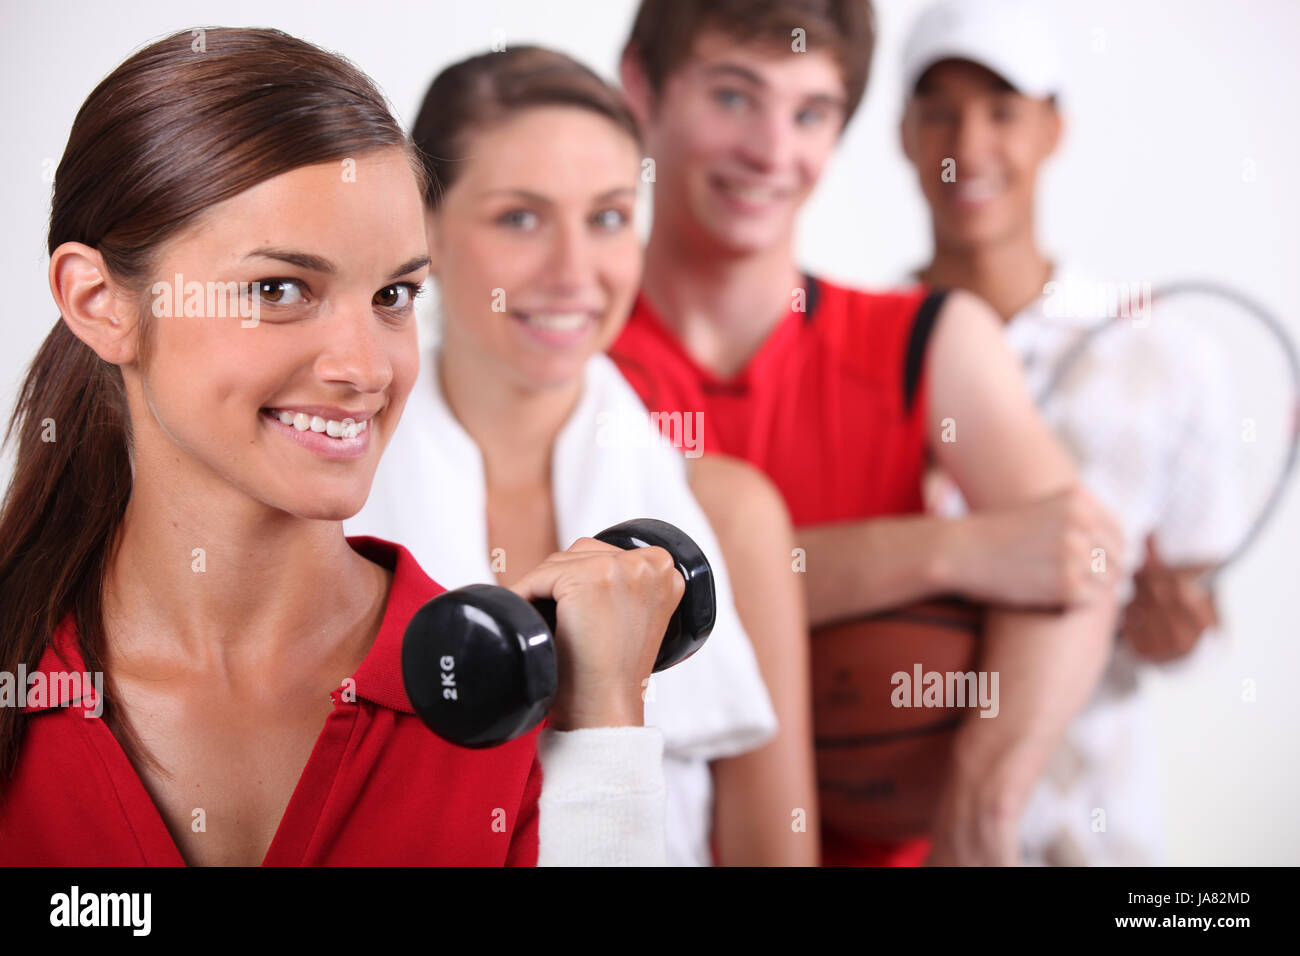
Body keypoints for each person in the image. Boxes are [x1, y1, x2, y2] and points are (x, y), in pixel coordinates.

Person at [0, 27, 681, 866]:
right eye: (279, 288)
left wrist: (603, 743)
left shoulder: (511, 705)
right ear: (98, 301)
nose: (366, 369)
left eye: (394, 295)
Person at [607, 0, 1125, 865]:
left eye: (811, 112)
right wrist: (950, 552)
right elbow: (615, 601)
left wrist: (983, 802)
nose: (772, 151)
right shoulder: (572, 359)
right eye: (734, 97)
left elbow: (1081, 562)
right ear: (642, 86)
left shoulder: (929, 339)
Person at [345, 46, 818, 866]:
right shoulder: (322, 507)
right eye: (520, 218)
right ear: (425, 233)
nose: (573, 273)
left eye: (606, 218)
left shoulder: (731, 517)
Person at [897, 0, 1242, 864]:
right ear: (904, 133)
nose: (969, 146)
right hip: (902, 833)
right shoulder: (860, 351)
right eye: (940, 112)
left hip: (1099, 836)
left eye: (1002, 111)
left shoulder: (1164, 354)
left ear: (1053, 129)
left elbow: (1198, 617)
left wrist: (1181, 634)